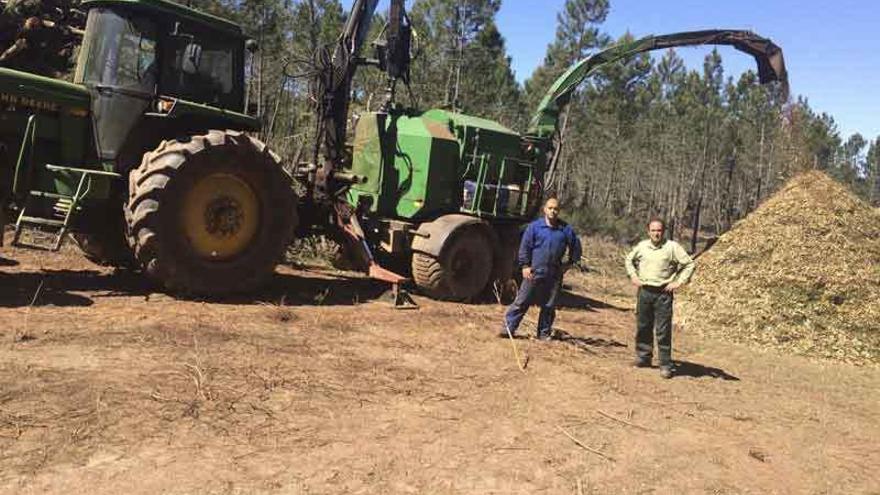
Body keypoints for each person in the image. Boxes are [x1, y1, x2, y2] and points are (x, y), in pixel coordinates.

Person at [502, 197, 582, 341]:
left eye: (556, 209)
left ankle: (543, 333)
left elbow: (576, 247)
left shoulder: (565, 230)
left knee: (549, 305)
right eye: (550, 208)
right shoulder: (534, 227)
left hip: (554, 274)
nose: (553, 211)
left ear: (559, 211)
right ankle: (508, 328)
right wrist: (525, 266)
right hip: (534, 271)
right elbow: (525, 247)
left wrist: (569, 263)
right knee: (522, 301)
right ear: (545, 209)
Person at [625, 218, 695, 378]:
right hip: (645, 291)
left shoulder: (672, 247)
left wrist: (678, 282)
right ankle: (643, 357)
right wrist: (633, 276)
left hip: (663, 293)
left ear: (663, 232)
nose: (656, 233)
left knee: (663, 330)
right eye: (653, 230)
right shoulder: (642, 246)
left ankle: (665, 364)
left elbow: (689, 264)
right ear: (648, 231)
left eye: (659, 230)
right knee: (643, 326)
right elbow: (629, 260)